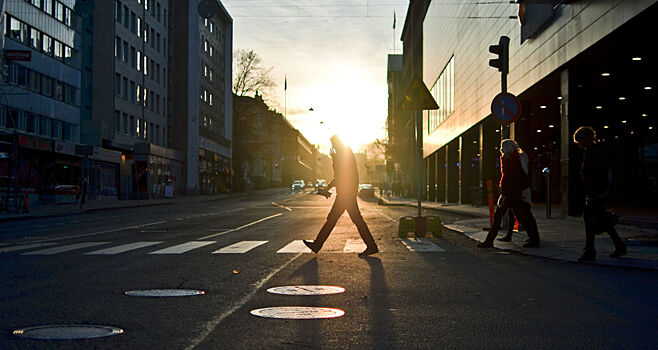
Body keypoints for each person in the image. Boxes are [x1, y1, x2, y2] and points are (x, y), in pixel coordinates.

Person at [304, 135, 379, 257]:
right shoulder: (345, 152)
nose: (332, 146)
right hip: (347, 192)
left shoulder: (342, 155)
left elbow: (340, 176)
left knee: (335, 220)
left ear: (337, 143)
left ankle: (317, 244)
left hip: (346, 194)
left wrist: (327, 188)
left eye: (333, 144)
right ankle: (371, 245)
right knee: (350, 220)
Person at [573, 126, 626, 262]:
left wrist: (592, 193)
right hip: (597, 193)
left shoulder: (593, 154)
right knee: (602, 220)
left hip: (595, 193)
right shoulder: (594, 152)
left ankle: (590, 251)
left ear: (584, 140)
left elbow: (594, 176)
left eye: (579, 141)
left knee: (590, 221)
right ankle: (619, 245)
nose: (579, 144)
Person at [478, 139, 540, 248]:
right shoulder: (517, 159)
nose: (500, 149)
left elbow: (508, 179)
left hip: (511, 194)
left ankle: (489, 240)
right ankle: (534, 239)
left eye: (502, 147)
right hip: (516, 194)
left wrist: (504, 194)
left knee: (501, 218)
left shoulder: (509, 161)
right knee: (523, 217)